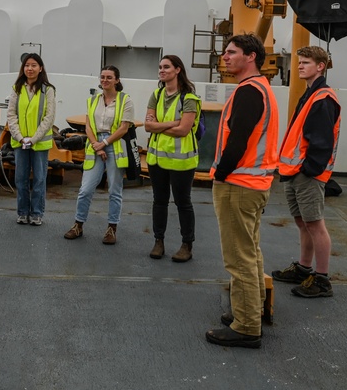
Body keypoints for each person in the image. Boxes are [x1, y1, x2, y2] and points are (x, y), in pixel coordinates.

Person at [206, 33, 279, 349]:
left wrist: (220, 175)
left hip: (238, 184)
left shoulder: (249, 92)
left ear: (251, 56)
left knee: (239, 257)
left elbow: (238, 141)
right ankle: (253, 308)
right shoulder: (261, 89)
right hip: (254, 183)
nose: (225, 56)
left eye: (231, 52)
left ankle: (247, 326)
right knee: (251, 250)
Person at [272, 46, 341, 298]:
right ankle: (304, 268)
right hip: (295, 172)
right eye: (299, 62)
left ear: (320, 66)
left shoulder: (322, 98)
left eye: (306, 62)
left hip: (307, 174)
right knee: (303, 223)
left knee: (315, 225)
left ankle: (322, 279)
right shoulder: (311, 94)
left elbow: (321, 142)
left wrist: (309, 171)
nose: (299, 66)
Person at [64, 66, 133, 244]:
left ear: (117, 80)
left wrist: (105, 143)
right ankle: (78, 225)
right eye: (102, 77)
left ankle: (112, 228)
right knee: (85, 189)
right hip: (95, 146)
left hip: (115, 146)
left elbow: (124, 128)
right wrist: (96, 145)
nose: (105, 80)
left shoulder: (125, 100)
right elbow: (88, 126)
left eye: (109, 77)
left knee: (114, 191)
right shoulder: (93, 100)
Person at [144, 55, 201, 262]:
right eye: (160, 67)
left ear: (178, 70)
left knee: (182, 202)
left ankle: (187, 245)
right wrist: (172, 123)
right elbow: (148, 126)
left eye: (166, 67)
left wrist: (159, 125)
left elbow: (184, 131)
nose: (162, 70)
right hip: (156, 160)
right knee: (159, 201)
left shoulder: (189, 98)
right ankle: (159, 241)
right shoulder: (156, 95)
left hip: (181, 161)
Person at [7, 53, 56, 226]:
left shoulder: (48, 90)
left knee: (39, 179)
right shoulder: (17, 89)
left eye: (34, 65)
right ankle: (22, 212)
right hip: (20, 143)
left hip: (39, 143)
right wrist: (21, 138)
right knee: (20, 178)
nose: (30, 68)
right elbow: (11, 115)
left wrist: (33, 139)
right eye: (27, 65)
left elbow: (49, 118)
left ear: (40, 68)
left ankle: (36, 213)